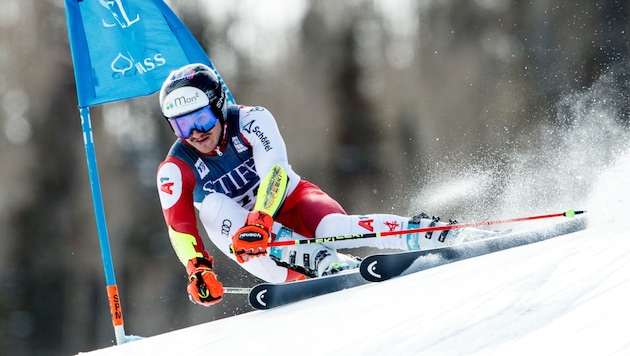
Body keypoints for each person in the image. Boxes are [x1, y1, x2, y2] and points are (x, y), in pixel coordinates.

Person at [156, 63, 484, 307]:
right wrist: (197, 269)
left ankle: (438, 233)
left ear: (217, 107)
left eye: (200, 119)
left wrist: (261, 220)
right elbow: (180, 227)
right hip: (248, 243)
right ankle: (321, 262)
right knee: (212, 206)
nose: (195, 133)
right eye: (182, 125)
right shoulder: (174, 167)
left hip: (288, 204)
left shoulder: (252, 120)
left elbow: (275, 173)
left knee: (337, 228)